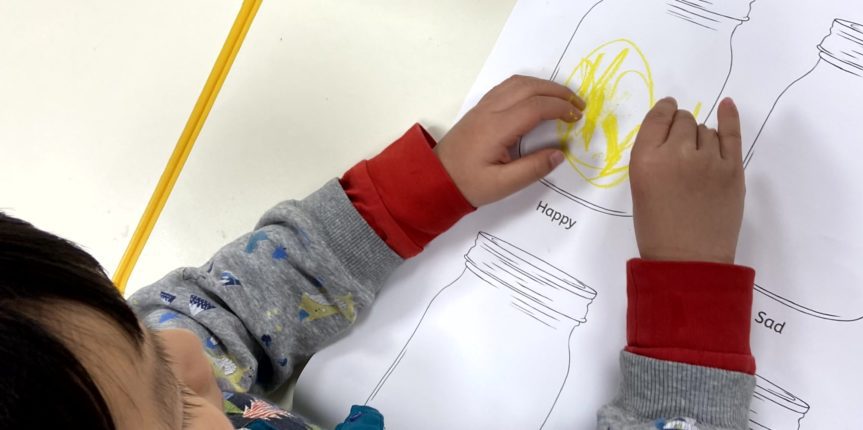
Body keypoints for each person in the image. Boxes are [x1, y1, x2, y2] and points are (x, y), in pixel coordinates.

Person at [0, 75, 754, 430]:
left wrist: (417, 191)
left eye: (144, 341)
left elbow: (224, 305)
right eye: (177, 402)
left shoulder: (107, 379)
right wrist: (689, 296)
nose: (185, 349)